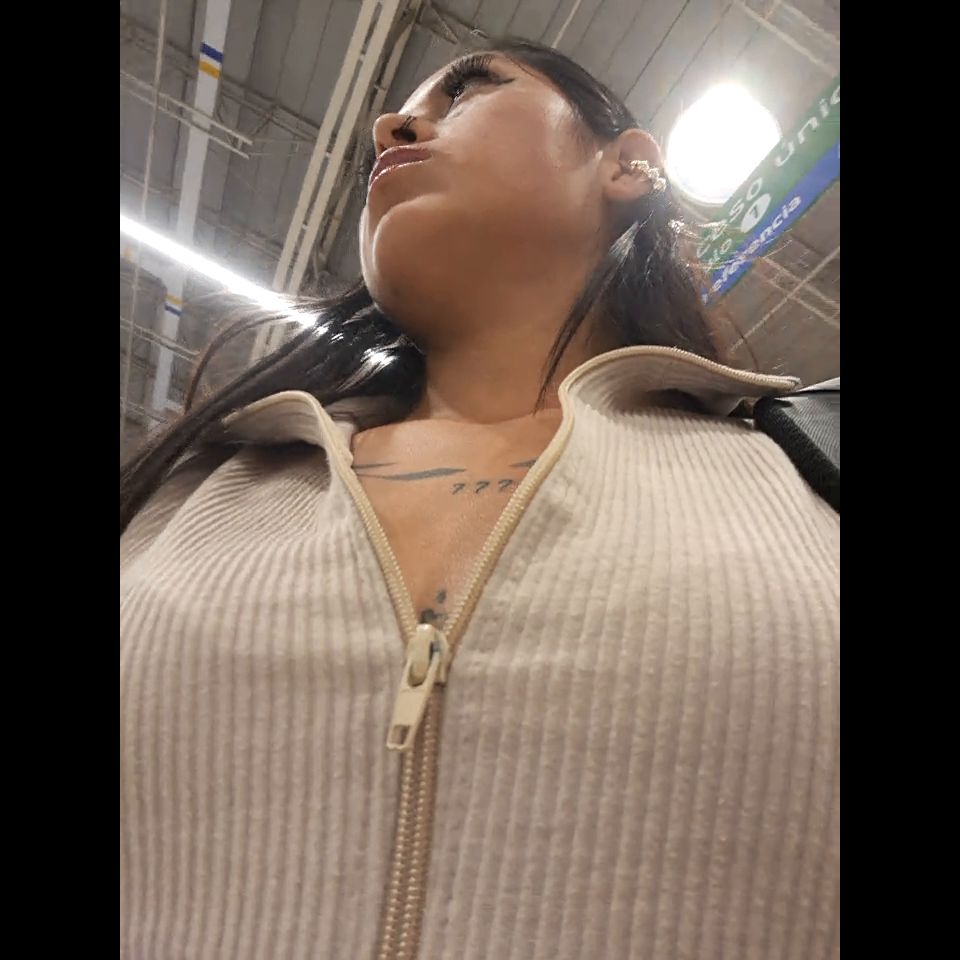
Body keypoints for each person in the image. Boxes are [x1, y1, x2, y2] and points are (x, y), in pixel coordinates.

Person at [120, 38, 839, 960]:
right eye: (397, 113)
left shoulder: (807, 469)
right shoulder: (186, 496)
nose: (390, 124)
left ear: (628, 165)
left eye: (467, 89)